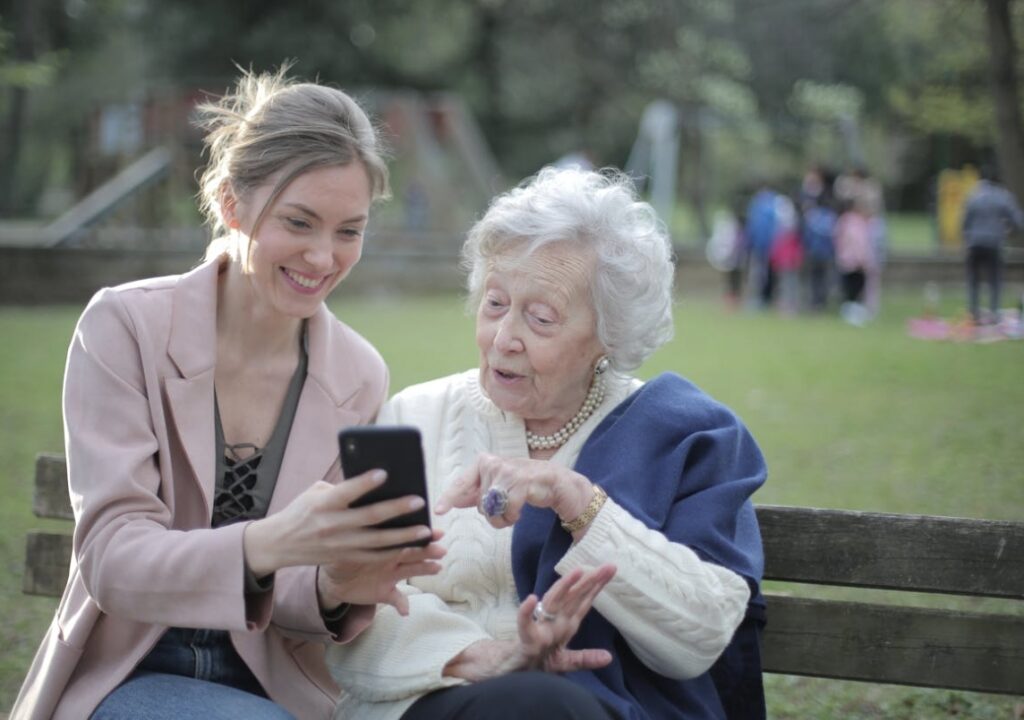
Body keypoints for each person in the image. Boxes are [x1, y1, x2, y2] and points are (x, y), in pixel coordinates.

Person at [11, 67, 444, 720]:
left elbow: (294, 599)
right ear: (229, 203)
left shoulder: (358, 372)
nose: (323, 257)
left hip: (276, 690)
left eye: (349, 231)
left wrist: (335, 583)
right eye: (298, 222)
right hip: (127, 673)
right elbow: (112, 559)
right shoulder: (125, 327)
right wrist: (269, 541)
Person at [326, 167, 769, 720]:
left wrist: (578, 502)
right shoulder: (414, 417)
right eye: (494, 303)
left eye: (540, 318)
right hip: (425, 704)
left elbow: (703, 634)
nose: (503, 338)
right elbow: (353, 603)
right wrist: (483, 657)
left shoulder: (684, 435)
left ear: (609, 336)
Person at [961, 163, 1024, 325]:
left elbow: (965, 222)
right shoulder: (1003, 196)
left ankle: (974, 313)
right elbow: (1018, 221)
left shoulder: (973, 195)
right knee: (995, 279)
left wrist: (968, 238)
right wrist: (1009, 231)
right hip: (994, 243)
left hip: (974, 243)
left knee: (973, 279)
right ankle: (994, 313)